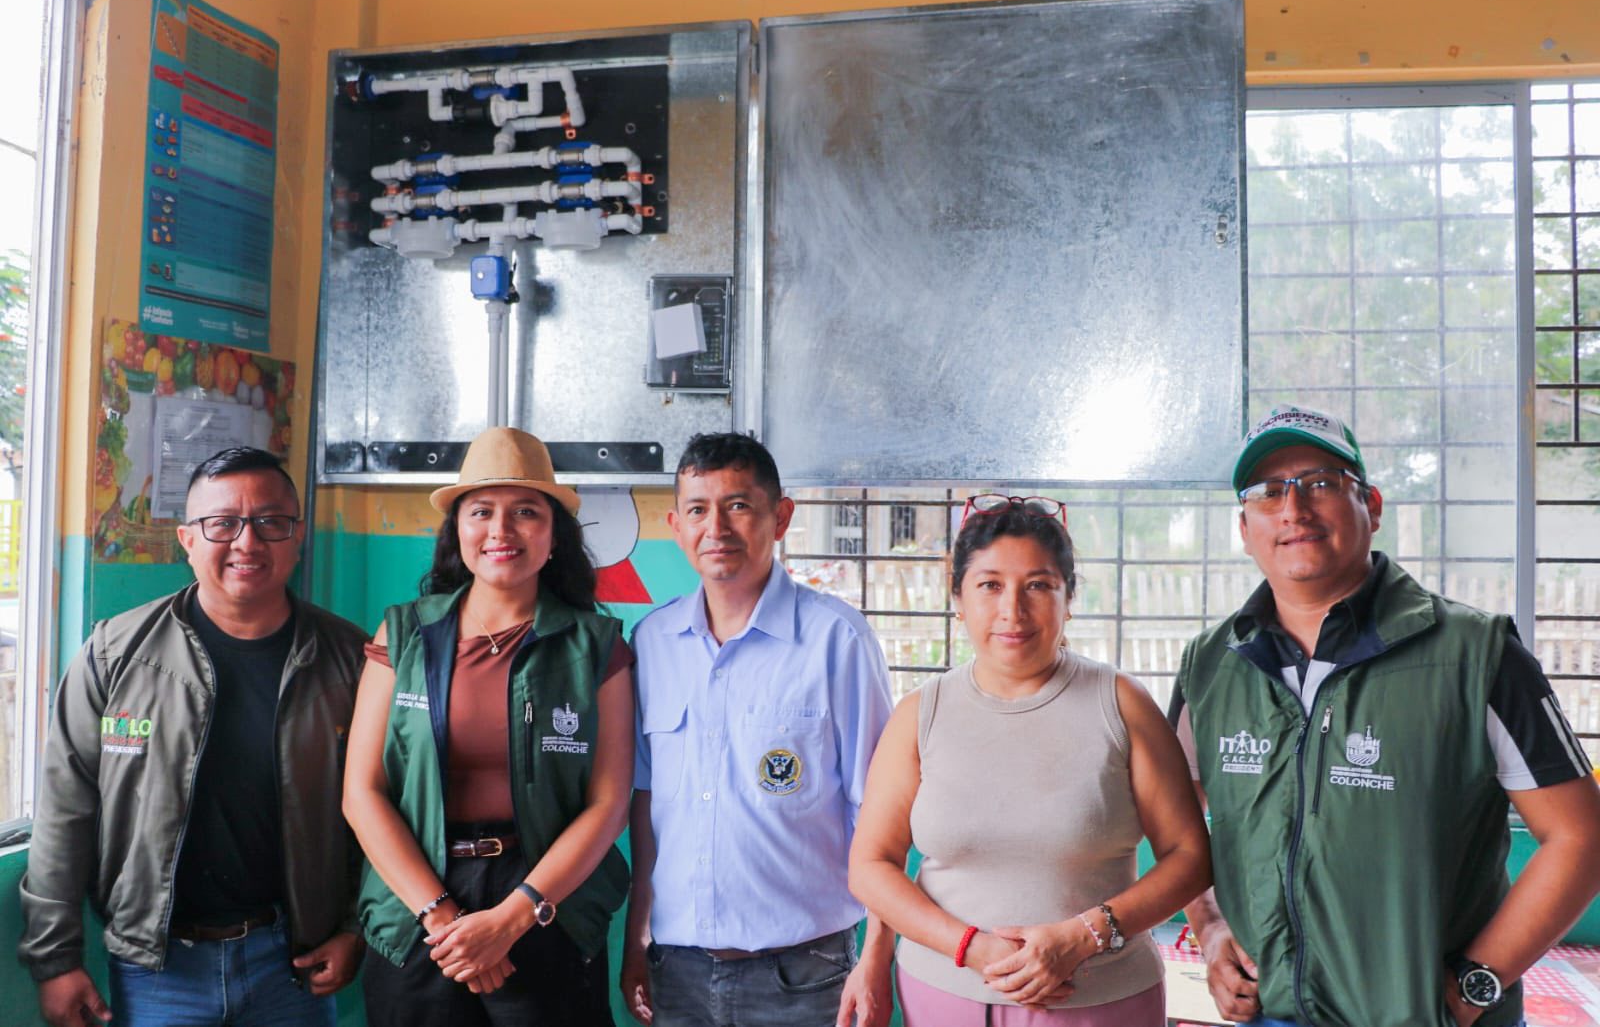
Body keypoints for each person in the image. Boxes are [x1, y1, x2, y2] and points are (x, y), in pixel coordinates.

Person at [1170, 404, 1600, 1027]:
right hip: (1268, 1015)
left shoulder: (1475, 655)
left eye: (1321, 483)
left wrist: (1476, 984)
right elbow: (1177, 825)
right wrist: (1209, 927)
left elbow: (1580, 837)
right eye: (1267, 492)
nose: (1293, 509)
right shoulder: (1211, 664)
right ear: (1244, 526)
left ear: (1370, 505)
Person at [19, 447, 367, 1027]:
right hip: (158, 970)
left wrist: (356, 928)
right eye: (222, 523)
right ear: (186, 539)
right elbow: (64, 810)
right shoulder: (114, 655)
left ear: (297, 535)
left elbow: (387, 809)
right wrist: (55, 961)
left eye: (270, 522)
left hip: (294, 963)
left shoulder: (351, 661)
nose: (247, 542)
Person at [849, 494, 1211, 1025]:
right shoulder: (919, 714)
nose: (1012, 611)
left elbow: (1189, 856)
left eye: (1038, 585)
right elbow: (871, 865)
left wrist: (1082, 936)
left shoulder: (1122, 704)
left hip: (1101, 1003)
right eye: (990, 585)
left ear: (1069, 597)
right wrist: (971, 947)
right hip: (942, 997)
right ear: (958, 596)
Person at [343, 425, 634, 1025]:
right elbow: (361, 793)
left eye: (526, 512)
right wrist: (443, 918)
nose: (501, 530)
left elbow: (608, 804)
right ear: (458, 530)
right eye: (481, 512)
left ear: (553, 535)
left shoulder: (597, 646)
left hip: (548, 903)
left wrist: (512, 918)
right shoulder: (404, 635)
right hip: (418, 908)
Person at [621, 432, 896, 1027]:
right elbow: (647, 803)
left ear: (781, 517)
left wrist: (877, 955)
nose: (716, 528)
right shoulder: (651, 642)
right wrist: (635, 937)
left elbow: (880, 813)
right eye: (698, 510)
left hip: (805, 974)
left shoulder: (837, 641)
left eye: (739, 505)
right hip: (678, 971)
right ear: (676, 525)